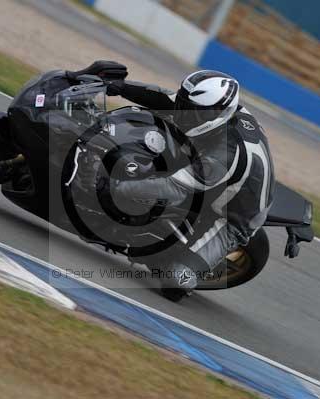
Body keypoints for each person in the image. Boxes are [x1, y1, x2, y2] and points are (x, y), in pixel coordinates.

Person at [100, 70, 276, 298]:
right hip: (213, 174)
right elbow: (166, 99)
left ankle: (185, 266)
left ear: (216, 114)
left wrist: (113, 188)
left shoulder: (226, 154)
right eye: (186, 105)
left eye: (191, 111)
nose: (183, 114)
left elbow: (173, 188)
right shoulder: (213, 110)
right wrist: (119, 87)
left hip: (229, 216)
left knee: (174, 282)